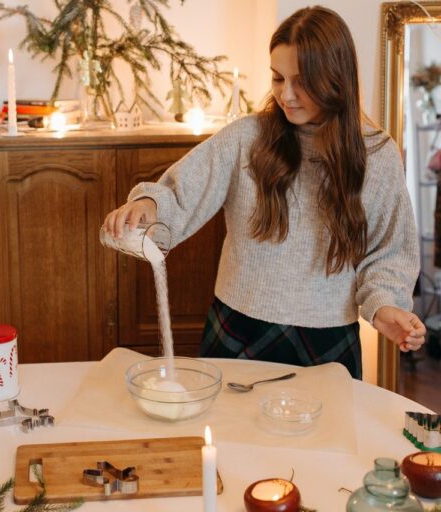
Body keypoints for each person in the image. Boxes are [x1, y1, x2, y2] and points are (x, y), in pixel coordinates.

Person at [103, 6, 425, 379]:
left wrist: (384, 305)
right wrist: (149, 204)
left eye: (302, 81)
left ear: (335, 78)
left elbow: (389, 251)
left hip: (328, 337)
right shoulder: (247, 137)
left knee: (327, 421)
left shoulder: (377, 155)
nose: (286, 94)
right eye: (277, 77)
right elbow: (182, 192)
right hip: (238, 326)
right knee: (224, 419)